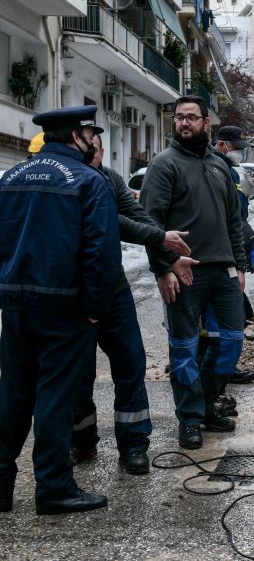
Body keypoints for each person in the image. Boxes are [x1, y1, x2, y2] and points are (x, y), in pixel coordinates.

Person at [0, 106, 121, 515]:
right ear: (76, 137)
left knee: (13, 394)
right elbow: (100, 254)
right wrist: (94, 309)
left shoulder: (11, 178)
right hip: (64, 308)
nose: (94, 141)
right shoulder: (89, 181)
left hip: (16, 305)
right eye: (91, 134)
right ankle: (53, 487)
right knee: (55, 396)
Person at [66, 133, 195, 474]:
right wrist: (160, 237)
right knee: (79, 374)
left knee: (131, 365)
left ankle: (134, 446)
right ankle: (82, 441)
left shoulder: (109, 178)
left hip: (114, 290)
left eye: (94, 146)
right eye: (84, 145)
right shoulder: (71, 180)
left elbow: (137, 215)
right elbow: (113, 222)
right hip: (75, 294)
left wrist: (168, 254)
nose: (90, 151)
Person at [140, 95, 247, 450]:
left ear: (206, 122)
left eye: (192, 117)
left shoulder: (219, 165)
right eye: (179, 118)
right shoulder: (164, 164)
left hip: (224, 272)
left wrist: (240, 265)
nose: (185, 123)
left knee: (232, 342)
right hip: (184, 272)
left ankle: (204, 403)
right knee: (184, 348)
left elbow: (235, 220)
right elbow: (148, 222)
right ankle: (189, 418)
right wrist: (163, 267)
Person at [213, 125, 254, 384]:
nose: (239, 154)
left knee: (229, 316)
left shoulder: (230, 172)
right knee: (220, 320)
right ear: (221, 145)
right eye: (235, 148)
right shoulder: (213, 170)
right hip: (217, 254)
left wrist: (248, 244)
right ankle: (215, 373)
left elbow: (238, 216)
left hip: (233, 247)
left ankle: (223, 370)